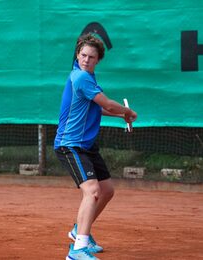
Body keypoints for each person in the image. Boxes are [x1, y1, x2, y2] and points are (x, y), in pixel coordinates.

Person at [54, 33, 137, 260]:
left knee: (107, 191)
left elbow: (96, 108)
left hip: (86, 145)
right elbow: (108, 103)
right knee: (92, 191)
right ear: (78, 53)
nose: (86, 60)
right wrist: (128, 112)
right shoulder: (80, 77)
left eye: (91, 57)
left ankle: (77, 230)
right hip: (69, 145)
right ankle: (78, 249)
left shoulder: (88, 78)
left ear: (98, 60)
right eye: (83, 55)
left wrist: (120, 117)